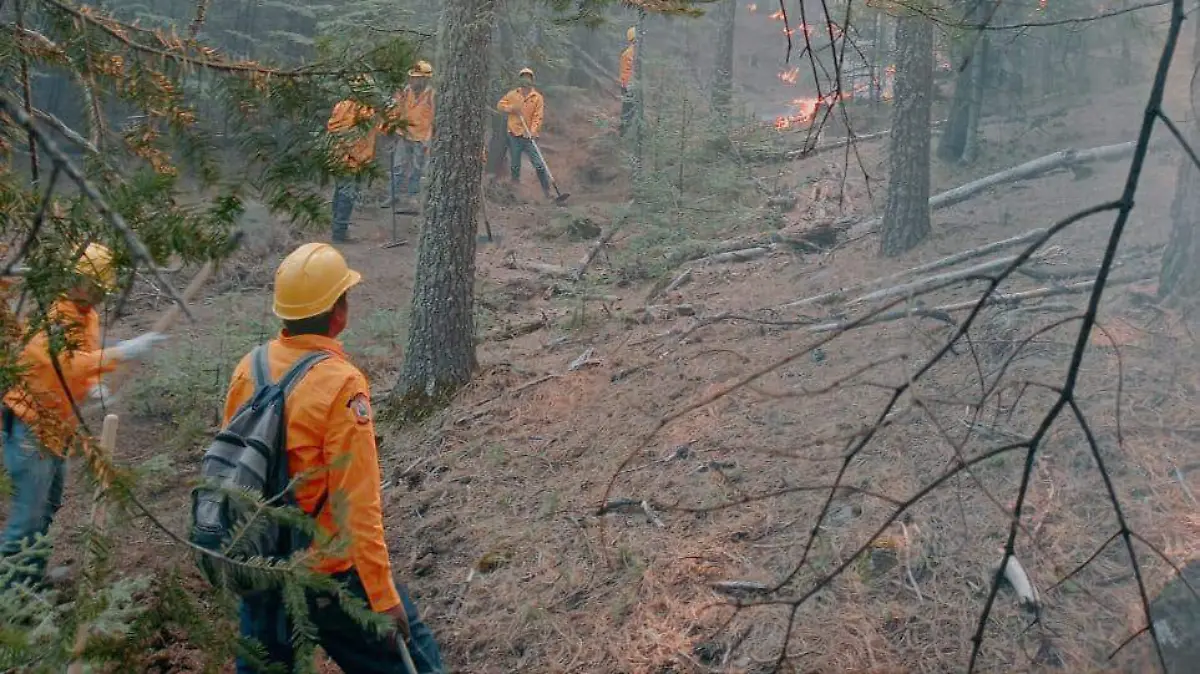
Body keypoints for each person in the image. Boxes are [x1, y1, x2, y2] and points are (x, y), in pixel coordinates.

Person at [229, 242, 444, 674]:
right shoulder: (342, 384)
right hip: (331, 575)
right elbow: (357, 507)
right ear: (339, 312)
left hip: (261, 570)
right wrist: (383, 599)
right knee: (420, 664)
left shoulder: (247, 369)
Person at [1, 244, 166, 588]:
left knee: (47, 506)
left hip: (57, 428)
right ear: (76, 280)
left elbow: (80, 361)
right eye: (95, 287)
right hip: (31, 428)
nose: (100, 296)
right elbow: (61, 362)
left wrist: (91, 386)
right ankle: (8, 599)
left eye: (103, 290)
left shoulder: (84, 313)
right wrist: (122, 352)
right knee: (27, 518)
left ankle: (30, 580)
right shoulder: (54, 313)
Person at [326, 77, 381, 244]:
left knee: (340, 192)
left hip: (339, 157)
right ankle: (339, 233)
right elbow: (347, 134)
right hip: (350, 159)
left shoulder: (343, 106)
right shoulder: (361, 110)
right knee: (346, 195)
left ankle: (338, 228)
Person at [384, 60, 435, 212]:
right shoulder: (404, 92)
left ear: (426, 79)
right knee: (397, 167)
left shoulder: (432, 95)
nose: (414, 80)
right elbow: (395, 111)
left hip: (422, 137)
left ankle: (413, 197)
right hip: (403, 135)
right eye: (413, 77)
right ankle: (393, 195)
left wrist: (431, 138)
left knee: (417, 169)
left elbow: (436, 118)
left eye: (418, 77)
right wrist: (392, 130)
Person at [496, 67, 552, 200]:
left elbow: (538, 117)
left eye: (528, 77)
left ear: (532, 80)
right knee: (515, 165)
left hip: (529, 137)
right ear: (520, 79)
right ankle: (515, 192)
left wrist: (532, 132)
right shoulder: (512, 94)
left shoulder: (537, 98)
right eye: (523, 76)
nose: (525, 79)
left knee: (539, 164)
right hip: (514, 135)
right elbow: (499, 105)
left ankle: (547, 192)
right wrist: (510, 108)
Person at [619, 26, 636, 136]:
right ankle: (623, 134)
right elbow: (628, 72)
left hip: (628, 85)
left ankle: (625, 133)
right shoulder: (631, 53)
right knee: (628, 111)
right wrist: (629, 86)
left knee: (629, 111)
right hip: (629, 86)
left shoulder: (629, 52)